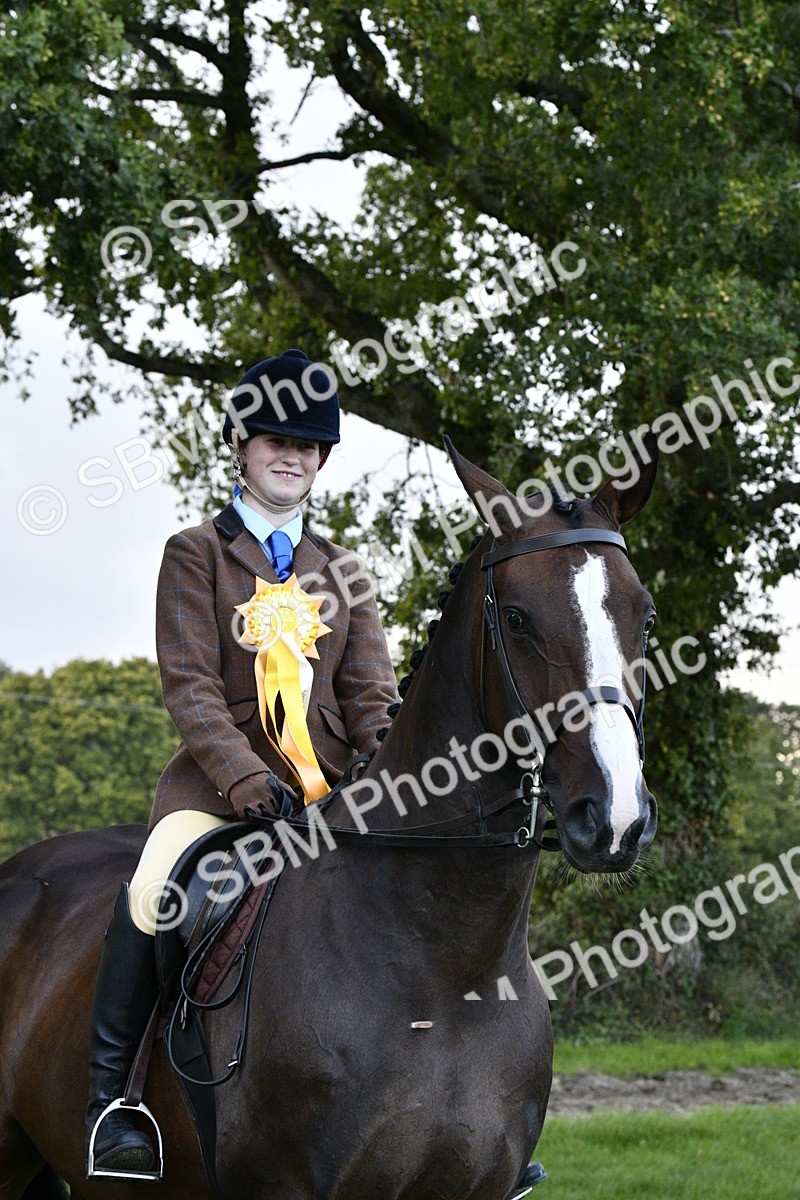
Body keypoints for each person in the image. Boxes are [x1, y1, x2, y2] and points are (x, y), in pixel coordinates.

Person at [85, 349, 398, 1177]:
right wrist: (244, 778)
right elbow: (189, 686)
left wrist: (386, 766)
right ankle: (114, 1104)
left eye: (305, 445)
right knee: (155, 887)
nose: (289, 456)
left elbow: (371, 697)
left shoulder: (346, 573)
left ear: (322, 459)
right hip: (221, 794)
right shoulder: (196, 555)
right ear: (242, 449)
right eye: (273, 441)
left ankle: (443, 1098)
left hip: (329, 798)